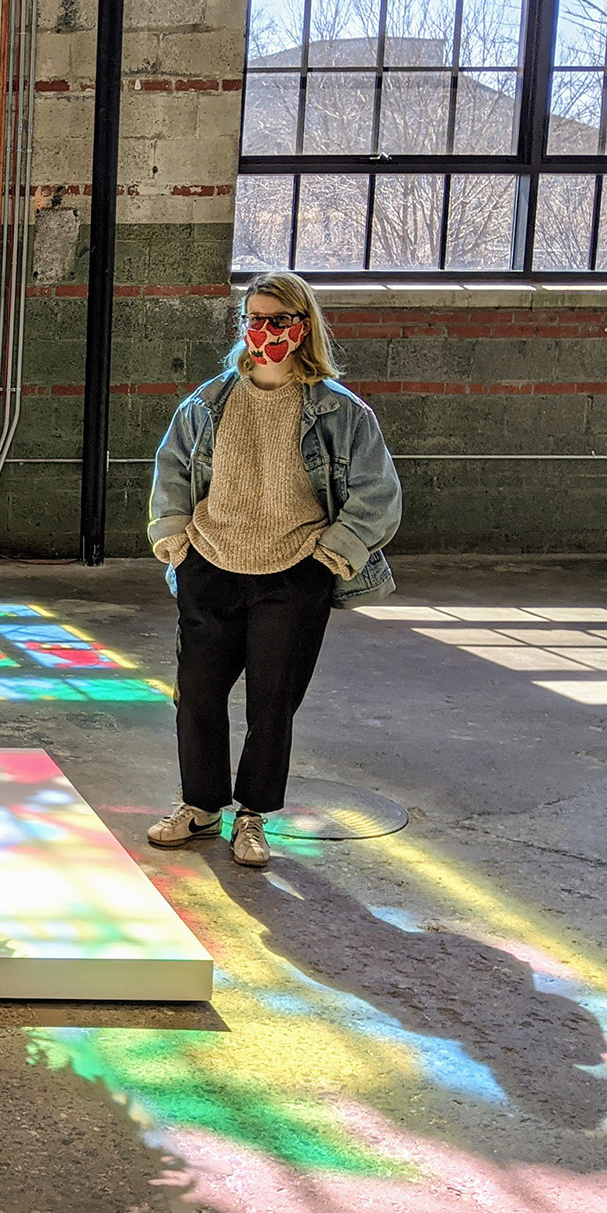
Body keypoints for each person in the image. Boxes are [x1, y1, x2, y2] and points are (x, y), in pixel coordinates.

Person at [145, 270, 400, 868]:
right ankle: (200, 805)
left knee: (272, 701)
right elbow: (172, 473)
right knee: (198, 695)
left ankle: (253, 816)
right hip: (211, 565)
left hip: (294, 573)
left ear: (303, 327)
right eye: (254, 319)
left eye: (278, 320)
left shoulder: (342, 414)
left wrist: (335, 551)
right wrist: (174, 541)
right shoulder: (207, 405)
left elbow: (377, 493)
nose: (264, 331)